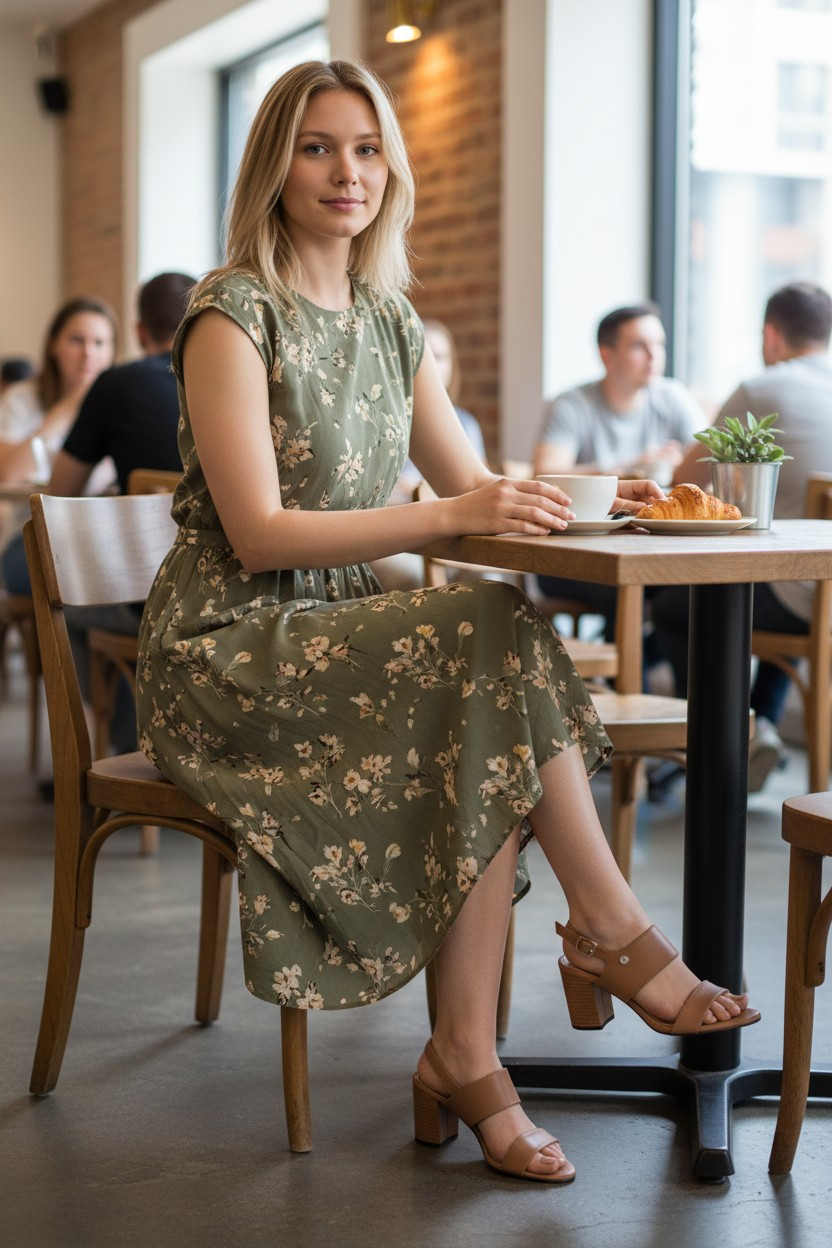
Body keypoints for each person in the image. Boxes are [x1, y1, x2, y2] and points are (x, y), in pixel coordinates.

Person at [135, 59, 757, 1185]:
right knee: (483, 648)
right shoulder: (231, 314)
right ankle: (602, 936)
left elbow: (470, 499)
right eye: (319, 146)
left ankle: (467, 1055)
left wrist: (594, 496)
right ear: (276, 163)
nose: (346, 171)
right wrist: (459, 509)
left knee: (486, 667)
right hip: (228, 649)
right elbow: (262, 534)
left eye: (366, 149)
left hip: (342, 637)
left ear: (392, 169)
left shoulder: (389, 323)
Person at [653, 280, 832, 791]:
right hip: (821, 589)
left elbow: (686, 478)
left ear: (772, 336)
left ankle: (728, 734)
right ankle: (761, 726)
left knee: (671, 610)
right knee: (797, 582)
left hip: (803, 594)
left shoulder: (762, 388)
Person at [36, 271, 194, 755]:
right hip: (235, 593)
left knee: (69, 595)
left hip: (151, 595)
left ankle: (116, 744)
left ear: (139, 332)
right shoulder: (239, 380)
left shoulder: (116, 384)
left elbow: (57, 499)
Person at [532, 304, 705, 642]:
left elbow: (708, 453)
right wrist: (629, 467)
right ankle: (628, 684)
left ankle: (673, 687)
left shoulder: (673, 398)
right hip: (571, 554)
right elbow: (545, 473)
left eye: (659, 344)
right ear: (606, 354)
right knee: (632, 586)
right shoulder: (573, 404)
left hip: (649, 548)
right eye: (640, 346)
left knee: (690, 595)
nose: (654, 355)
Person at [0, 296, 117, 575]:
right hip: (30, 537)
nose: (88, 353)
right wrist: (70, 406)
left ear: (113, 351)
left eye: (100, 343)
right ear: (53, 345)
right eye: (77, 340)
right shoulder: (21, 397)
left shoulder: (120, 403)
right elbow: (9, 473)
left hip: (104, 537)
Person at [370, 315, 488, 590]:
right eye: (425, 355)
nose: (432, 365)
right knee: (417, 578)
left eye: (440, 356)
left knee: (488, 580)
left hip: (446, 536)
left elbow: (474, 489)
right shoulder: (379, 419)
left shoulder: (466, 423)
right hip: (391, 537)